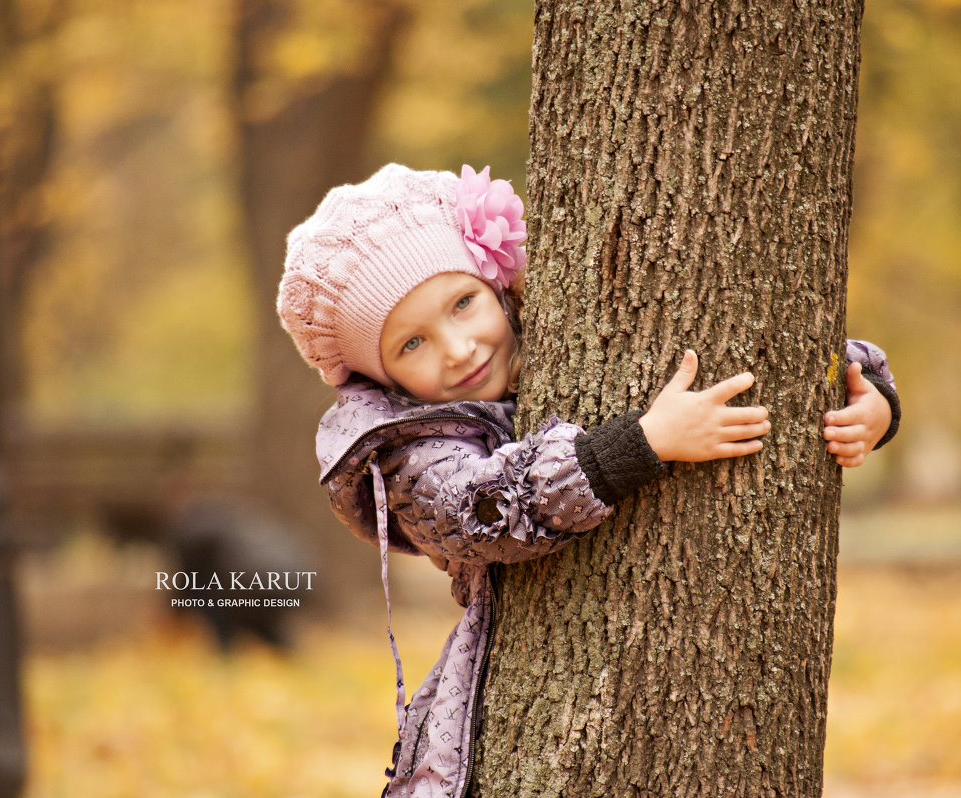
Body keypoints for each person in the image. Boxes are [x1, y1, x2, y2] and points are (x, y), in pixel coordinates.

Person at [276, 164, 900, 797]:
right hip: (520, 680)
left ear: (497, 286)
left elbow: (775, 348)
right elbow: (479, 510)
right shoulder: (410, 453)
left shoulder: (560, 317)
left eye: (463, 303)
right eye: (412, 344)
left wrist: (871, 397)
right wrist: (639, 444)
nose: (460, 348)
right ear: (384, 380)